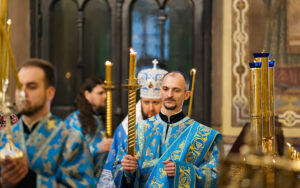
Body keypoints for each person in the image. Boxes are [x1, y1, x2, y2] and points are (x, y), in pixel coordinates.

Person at [113, 71, 222, 187]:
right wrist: (127, 170)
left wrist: (184, 172)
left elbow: (216, 175)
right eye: (165, 89)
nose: (169, 94)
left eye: (176, 90)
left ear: (187, 95)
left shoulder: (204, 135)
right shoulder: (138, 130)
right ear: (160, 91)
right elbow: (118, 168)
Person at [0, 59, 94, 187]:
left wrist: (30, 180)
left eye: (31, 87)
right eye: (19, 86)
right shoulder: (3, 137)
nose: (23, 94)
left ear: (50, 93)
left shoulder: (71, 140)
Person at [97, 60, 167, 187]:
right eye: (146, 102)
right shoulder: (125, 130)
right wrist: (126, 169)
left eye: (156, 102)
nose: (151, 108)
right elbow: (113, 168)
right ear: (140, 101)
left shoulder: (174, 128)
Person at [64, 76, 113, 183]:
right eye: (100, 93)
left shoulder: (100, 119)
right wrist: (98, 148)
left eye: (105, 92)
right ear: (87, 95)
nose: (105, 96)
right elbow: (71, 155)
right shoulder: (74, 121)